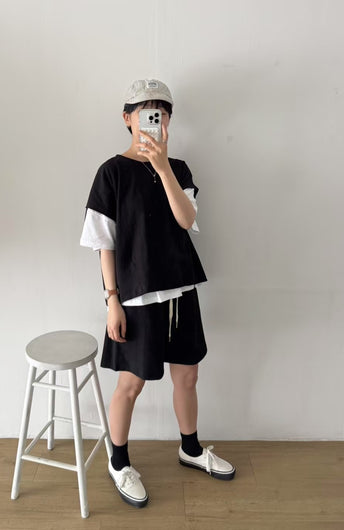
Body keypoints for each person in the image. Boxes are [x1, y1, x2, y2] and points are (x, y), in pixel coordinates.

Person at [80, 79, 235, 508]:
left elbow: (185, 220)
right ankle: (119, 462)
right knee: (131, 383)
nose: (155, 120)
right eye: (147, 113)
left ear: (168, 121)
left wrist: (163, 167)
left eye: (162, 114)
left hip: (180, 290)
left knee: (188, 375)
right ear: (127, 118)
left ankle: (190, 449)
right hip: (135, 297)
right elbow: (104, 242)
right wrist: (112, 300)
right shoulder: (111, 173)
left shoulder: (179, 169)